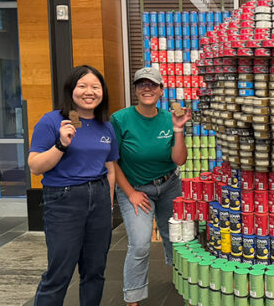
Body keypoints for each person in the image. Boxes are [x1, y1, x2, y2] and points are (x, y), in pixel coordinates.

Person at [28, 65, 118, 306]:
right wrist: (60, 145)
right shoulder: (52, 121)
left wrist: (108, 207)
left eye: (95, 87)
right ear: (71, 90)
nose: (89, 92)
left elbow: (110, 168)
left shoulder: (106, 126)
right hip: (64, 200)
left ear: (103, 93)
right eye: (82, 86)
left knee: (95, 270)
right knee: (59, 272)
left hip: (99, 197)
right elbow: (35, 166)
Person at [111, 67, 191, 306]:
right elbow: (112, 162)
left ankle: (182, 281)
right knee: (141, 243)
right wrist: (131, 193)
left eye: (152, 84)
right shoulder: (120, 119)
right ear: (135, 90)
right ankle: (133, 297)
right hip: (135, 188)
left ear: (161, 90)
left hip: (169, 185)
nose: (147, 88)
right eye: (141, 84)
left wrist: (178, 130)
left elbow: (179, 160)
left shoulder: (169, 118)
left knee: (176, 238)